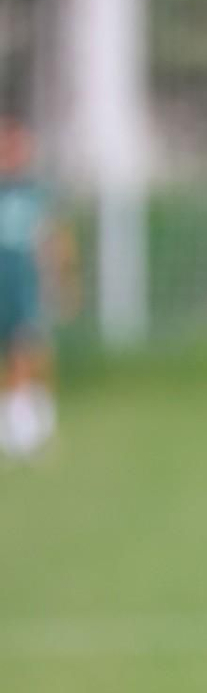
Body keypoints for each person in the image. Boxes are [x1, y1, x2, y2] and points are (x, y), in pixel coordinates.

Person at [0, 116, 73, 462]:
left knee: (28, 349)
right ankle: (16, 426)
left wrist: (61, 280)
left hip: (23, 283)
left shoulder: (36, 192)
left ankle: (27, 428)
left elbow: (54, 239)